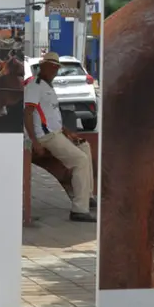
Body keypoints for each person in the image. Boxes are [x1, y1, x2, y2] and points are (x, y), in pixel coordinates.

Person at [24, 51, 97, 223]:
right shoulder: (35, 85)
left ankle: (87, 196)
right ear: (44, 67)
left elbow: (51, 116)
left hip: (56, 133)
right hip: (46, 137)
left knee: (85, 147)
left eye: (57, 67)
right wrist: (35, 141)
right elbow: (27, 113)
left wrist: (67, 132)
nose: (55, 71)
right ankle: (79, 209)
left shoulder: (48, 87)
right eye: (53, 67)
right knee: (80, 160)